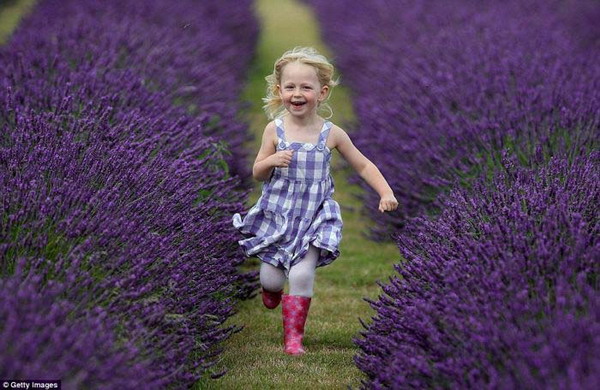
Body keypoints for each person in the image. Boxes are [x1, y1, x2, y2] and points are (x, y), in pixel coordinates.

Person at [233, 47, 398, 355]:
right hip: (278, 214)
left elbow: (363, 165)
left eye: (306, 87)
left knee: (301, 273)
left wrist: (385, 192)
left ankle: (293, 338)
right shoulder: (275, 130)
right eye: (290, 87)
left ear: (321, 93)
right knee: (270, 277)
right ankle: (271, 290)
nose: (297, 93)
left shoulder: (331, 133)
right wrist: (271, 161)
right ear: (279, 90)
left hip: (314, 215)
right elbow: (257, 171)